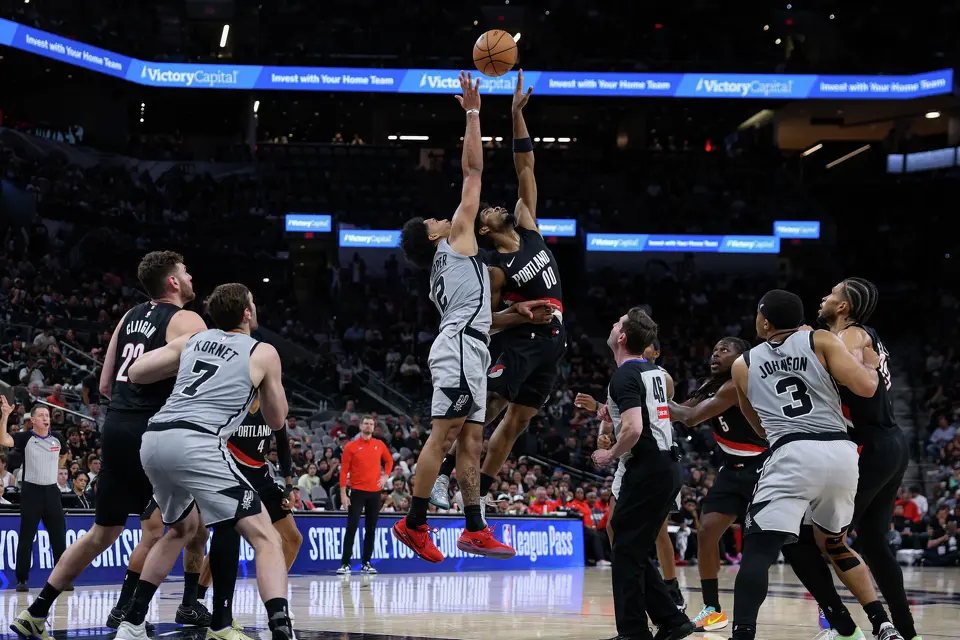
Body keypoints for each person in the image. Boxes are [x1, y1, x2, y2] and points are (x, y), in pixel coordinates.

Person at [394, 71, 553, 563]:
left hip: (469, 341)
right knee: (444, 435)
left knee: (473, 439)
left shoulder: (451, 268)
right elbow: (472, 172)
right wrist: (472, 112)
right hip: (462, 349)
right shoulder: (460, 236)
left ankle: (474, 527)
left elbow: (478, 319)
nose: (442, 218)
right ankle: (414, 522)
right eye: (433, 223)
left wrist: (516, 314)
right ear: (435, 237)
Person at [10, 251, 210, 638]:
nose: (190, 277)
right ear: (172, 281)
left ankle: (36, 611)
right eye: (185, 272)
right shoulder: (188, 320)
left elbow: (104, 385)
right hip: (155, 430)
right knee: (185, 528)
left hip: (116, 425)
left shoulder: (129, 317)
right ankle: (132, 617)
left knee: (103, 532)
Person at [112, 283, 292, 640]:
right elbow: (276, 419)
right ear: (246, 313)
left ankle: (131, 623)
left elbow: (136, 372)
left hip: (156, 437)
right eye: (253, 304)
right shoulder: (263, 351)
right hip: (197, 442)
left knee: (180, 530)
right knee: (267, 538)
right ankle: (280, 630)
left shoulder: (193, 340)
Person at [431, 69, 567, 521]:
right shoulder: (495, 271)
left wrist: (514, 115)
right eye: (487, 210)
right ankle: (442, 477)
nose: (493, 205)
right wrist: (523, 317)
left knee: (518, 422)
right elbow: (487, 322)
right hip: (522, 343)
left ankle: (482, 491)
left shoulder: (528, 226)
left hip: (553, 344)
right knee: (487, 410)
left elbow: (525, 166)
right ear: (485, 230)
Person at [728, 289, 903, 640]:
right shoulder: (820, 339)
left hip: (791, 453)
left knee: (759, 548)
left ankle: (743, 633)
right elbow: (867, 388)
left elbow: (759, 427)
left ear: (764, 321)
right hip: (840, 454)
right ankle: (882, 625)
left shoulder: (742, 364)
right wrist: (870, 362)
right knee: (836, 544)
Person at [785, 279, 920, 640]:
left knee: (818, 537)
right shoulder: (864, 336)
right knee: (874, 542)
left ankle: (840, 627)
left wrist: (804, 342)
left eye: (831, 294)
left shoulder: (851, 336)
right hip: (889, 444)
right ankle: (905, 632)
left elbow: (831, 374)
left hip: (868, 447)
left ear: (843, 307)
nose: (824, 297)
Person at [590, 308, 694, 640]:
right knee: (630, 546)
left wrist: (609, 452)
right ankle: (672, 620)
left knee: (624, 549)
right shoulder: (653, 372)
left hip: (648, 467)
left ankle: (633, 632)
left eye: (616, 322)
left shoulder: (624, 376)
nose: (612, 323)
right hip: (666, 467)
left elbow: (633, 429)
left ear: (622, 337)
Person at [576, 340, 687, 612]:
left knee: (658, 531)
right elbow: (615, 418)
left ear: (657, 353)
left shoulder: (661, 378)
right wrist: (603, 434)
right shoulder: (625, 376)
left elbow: (641, 416)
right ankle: (641, 581)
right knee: (615, 527)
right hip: (628, 459)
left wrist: (598, 409)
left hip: (652, 457)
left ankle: (670, 589)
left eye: (649, 347)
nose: (644, 350)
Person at [665, 337, 758, 631]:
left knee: (785, 545)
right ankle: (713, 610)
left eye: (724, 350)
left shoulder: (736, 384)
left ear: (741, 357)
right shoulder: (709, 386)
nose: (715, 354)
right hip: (732, 469)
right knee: (706, 532)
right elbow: (680, 409)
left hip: (762, 468)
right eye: (714, 349)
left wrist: (652, 398)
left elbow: (690, 417)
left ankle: (826, 606)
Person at [195, 396, 303, 636]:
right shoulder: (233, 400)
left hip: (262, 477)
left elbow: (283, 444)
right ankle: (198, 599)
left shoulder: (271, 405)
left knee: (293, 539)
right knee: (227, 540)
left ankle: (274, 594)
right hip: (232, 477)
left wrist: (288, 484)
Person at [1, 401, 66, 592]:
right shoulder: (25, 438)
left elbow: (64, 456)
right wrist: (5, 416)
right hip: (31, 491)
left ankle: (61, 578)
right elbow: (3, 440)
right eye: (42, 415)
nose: (46, 418)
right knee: (27, 537)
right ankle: (22, 579)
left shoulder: (58, 438)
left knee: (58, 538)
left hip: (52, 491)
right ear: (33, 420)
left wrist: (55, 469)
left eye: (48, 415)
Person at [338, 414, 393, 574]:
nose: (369, 426)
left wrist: (386, 476)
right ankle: (345, 563)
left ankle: (366, 562)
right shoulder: (351, 446)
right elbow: (344, 471)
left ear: (374, 427)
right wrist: (343, 493)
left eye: (371, 424)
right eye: (366, 423)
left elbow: (389, 461)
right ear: (360, 426)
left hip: (375, 493)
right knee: (352, 527)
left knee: (371, 528)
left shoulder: (379, 444)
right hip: (357, 492)